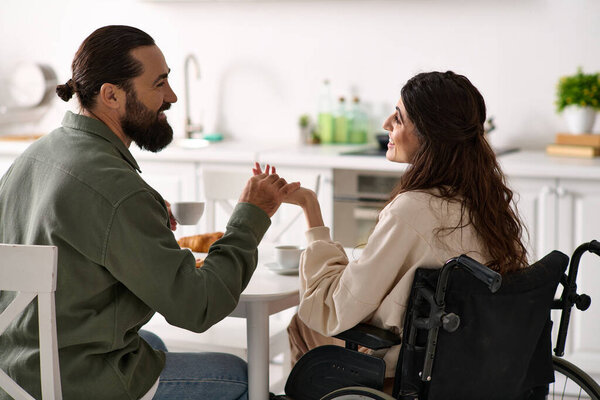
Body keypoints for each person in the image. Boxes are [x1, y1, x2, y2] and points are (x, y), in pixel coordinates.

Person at [0, 25, 299, 400]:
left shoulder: (33, 157)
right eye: (159, 84)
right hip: (77, 383)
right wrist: (251, 215)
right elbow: (198, 308)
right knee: (241, 377)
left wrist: (142, 213)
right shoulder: (117, 190)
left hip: (13, 373)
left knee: (152, 340)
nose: (172, 96)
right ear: (111, 95)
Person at [262, 71, 528, 394]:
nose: (386, 123)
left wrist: (310, 207)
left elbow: (336, 308)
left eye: (399, 118)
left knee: (303, 325)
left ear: (429, 135)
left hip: (407, 375)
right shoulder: (486, 203)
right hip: (471, 369)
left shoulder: (412, 210)